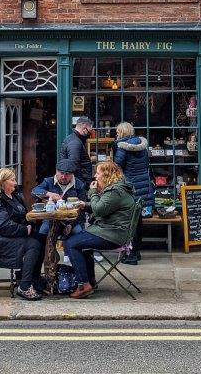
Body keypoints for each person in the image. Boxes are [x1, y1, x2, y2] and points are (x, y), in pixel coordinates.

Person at [63, 160, 136, 299]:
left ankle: (84, 285)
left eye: (97, 173)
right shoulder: (117, 189)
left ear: (107, 175)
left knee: (70, 243)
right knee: (81, 243)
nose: (95, 177)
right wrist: (84, 204)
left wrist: (92, 192)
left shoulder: (115, 191)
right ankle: (90, 280)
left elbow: (99, 209)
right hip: (113, 231)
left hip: (112, 234)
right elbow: (103, 206)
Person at [0, 167, 45, 301]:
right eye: (12, 180)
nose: (15, 183)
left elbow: (24, 216)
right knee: (33, 244)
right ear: (3, 182)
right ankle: (25, 286)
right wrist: (24, 230)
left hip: (9, 235)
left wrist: (30, 224)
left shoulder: (15, 196)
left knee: (40, 237)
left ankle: (31, 279)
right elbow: (2, 225)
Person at [113, 121, 153, 265]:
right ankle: (137, 252)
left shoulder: (122, 148)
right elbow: (147, 165)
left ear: (123, 133)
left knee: (131, 223)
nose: (116, 134)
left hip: (130, 187)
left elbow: (116, 167)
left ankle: (132, 256)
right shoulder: (142, 147)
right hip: (143, 186)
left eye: (118, 132)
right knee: (138, 221)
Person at [31, 158, 87, 237]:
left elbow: (82, 209)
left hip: (72, 220)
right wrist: (49, 193)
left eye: (67, 174)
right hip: (51, 218)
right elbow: (34, 191)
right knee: (43, 231)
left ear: (72, 174)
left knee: (78, 233)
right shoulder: (48, 181)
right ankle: (44, 249)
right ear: (56, 171)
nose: (64, 177)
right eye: (61, 173)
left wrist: (71, 225)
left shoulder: (79, 185)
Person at [59, 117, 93, 186]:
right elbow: (74, 165)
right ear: (84, 128)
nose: (90, 135)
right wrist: (82, 184)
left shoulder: (73, 139)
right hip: (79, 184)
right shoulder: (75, 142)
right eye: (89, 131)